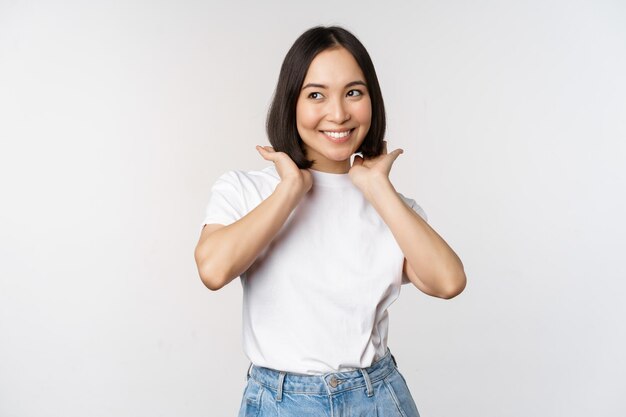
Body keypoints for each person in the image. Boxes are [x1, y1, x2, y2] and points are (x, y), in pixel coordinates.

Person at [194, 25, 466, 417]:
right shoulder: (246, 190)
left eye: (353, 93)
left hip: (377, 398)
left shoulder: (391, 206)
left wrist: (377, 187)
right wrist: (290, 189)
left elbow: (449, 282)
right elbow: (213, 270)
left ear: (372, 100)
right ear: (292, 102)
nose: (338, 113)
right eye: (316, 95)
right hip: (280, 402)